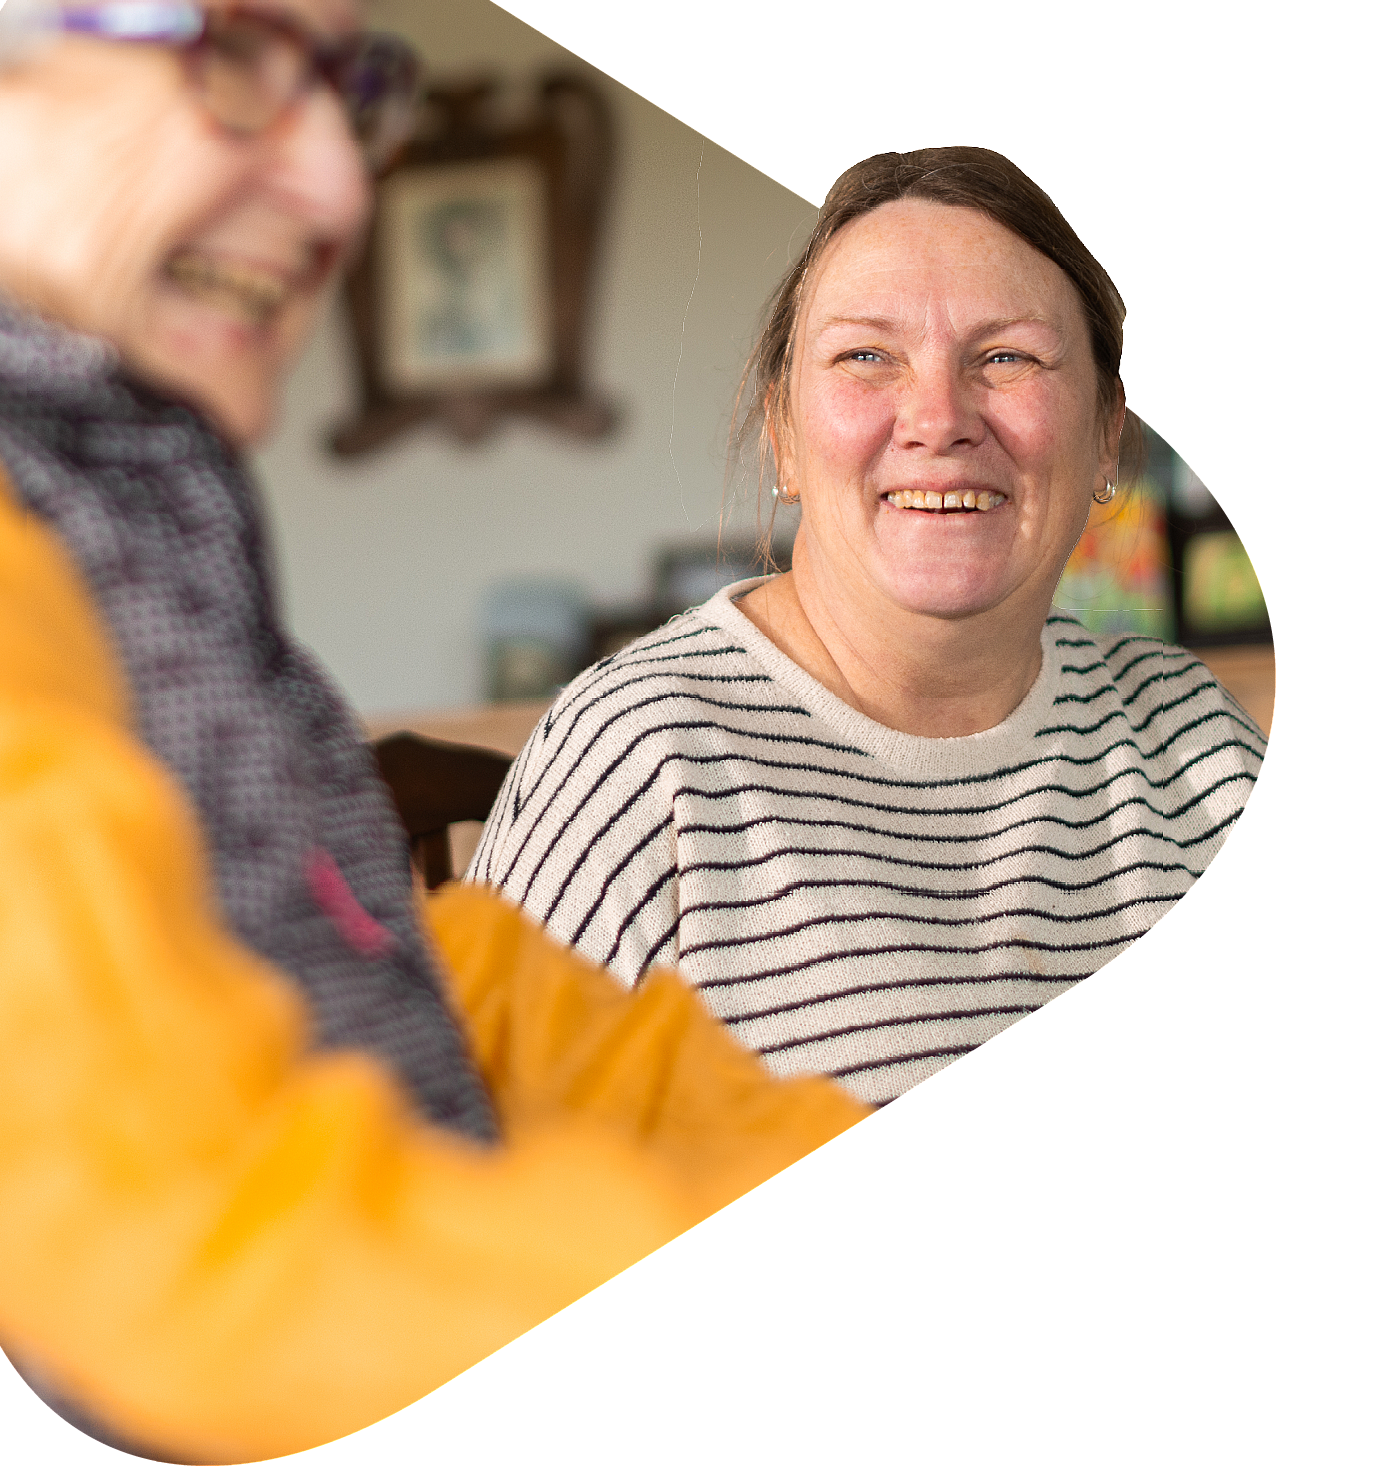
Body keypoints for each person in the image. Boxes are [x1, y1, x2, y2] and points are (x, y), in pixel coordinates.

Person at [0, 0, 867, 1462]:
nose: (334, 185)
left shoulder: (124, 490)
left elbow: (367, 957)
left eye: (346, 90)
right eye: (234, 53)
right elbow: (171, 1233)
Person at [469, 146, 1269, 1108]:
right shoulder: (638, 757)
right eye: (866, 357)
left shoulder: (1195, 735)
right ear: (783, 435)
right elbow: (466, 1206)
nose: (938, 419)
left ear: (1105, 431)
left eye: (1007, 356)